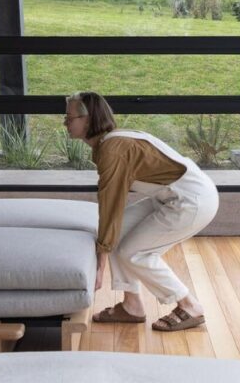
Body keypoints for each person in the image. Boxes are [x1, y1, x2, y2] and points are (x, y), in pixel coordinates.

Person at [64, 91, 219, 332]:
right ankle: (132, 306)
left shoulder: (112, 150)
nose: (65, 122)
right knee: (118, 232)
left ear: (89, 119)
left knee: (133, 252)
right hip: (170, 197)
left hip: (191, 201)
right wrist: (104, 248)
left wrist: (100, 265)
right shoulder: (108, 143)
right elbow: (113, 214)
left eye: (70, 117)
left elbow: (111, 205)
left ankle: (190, 305)